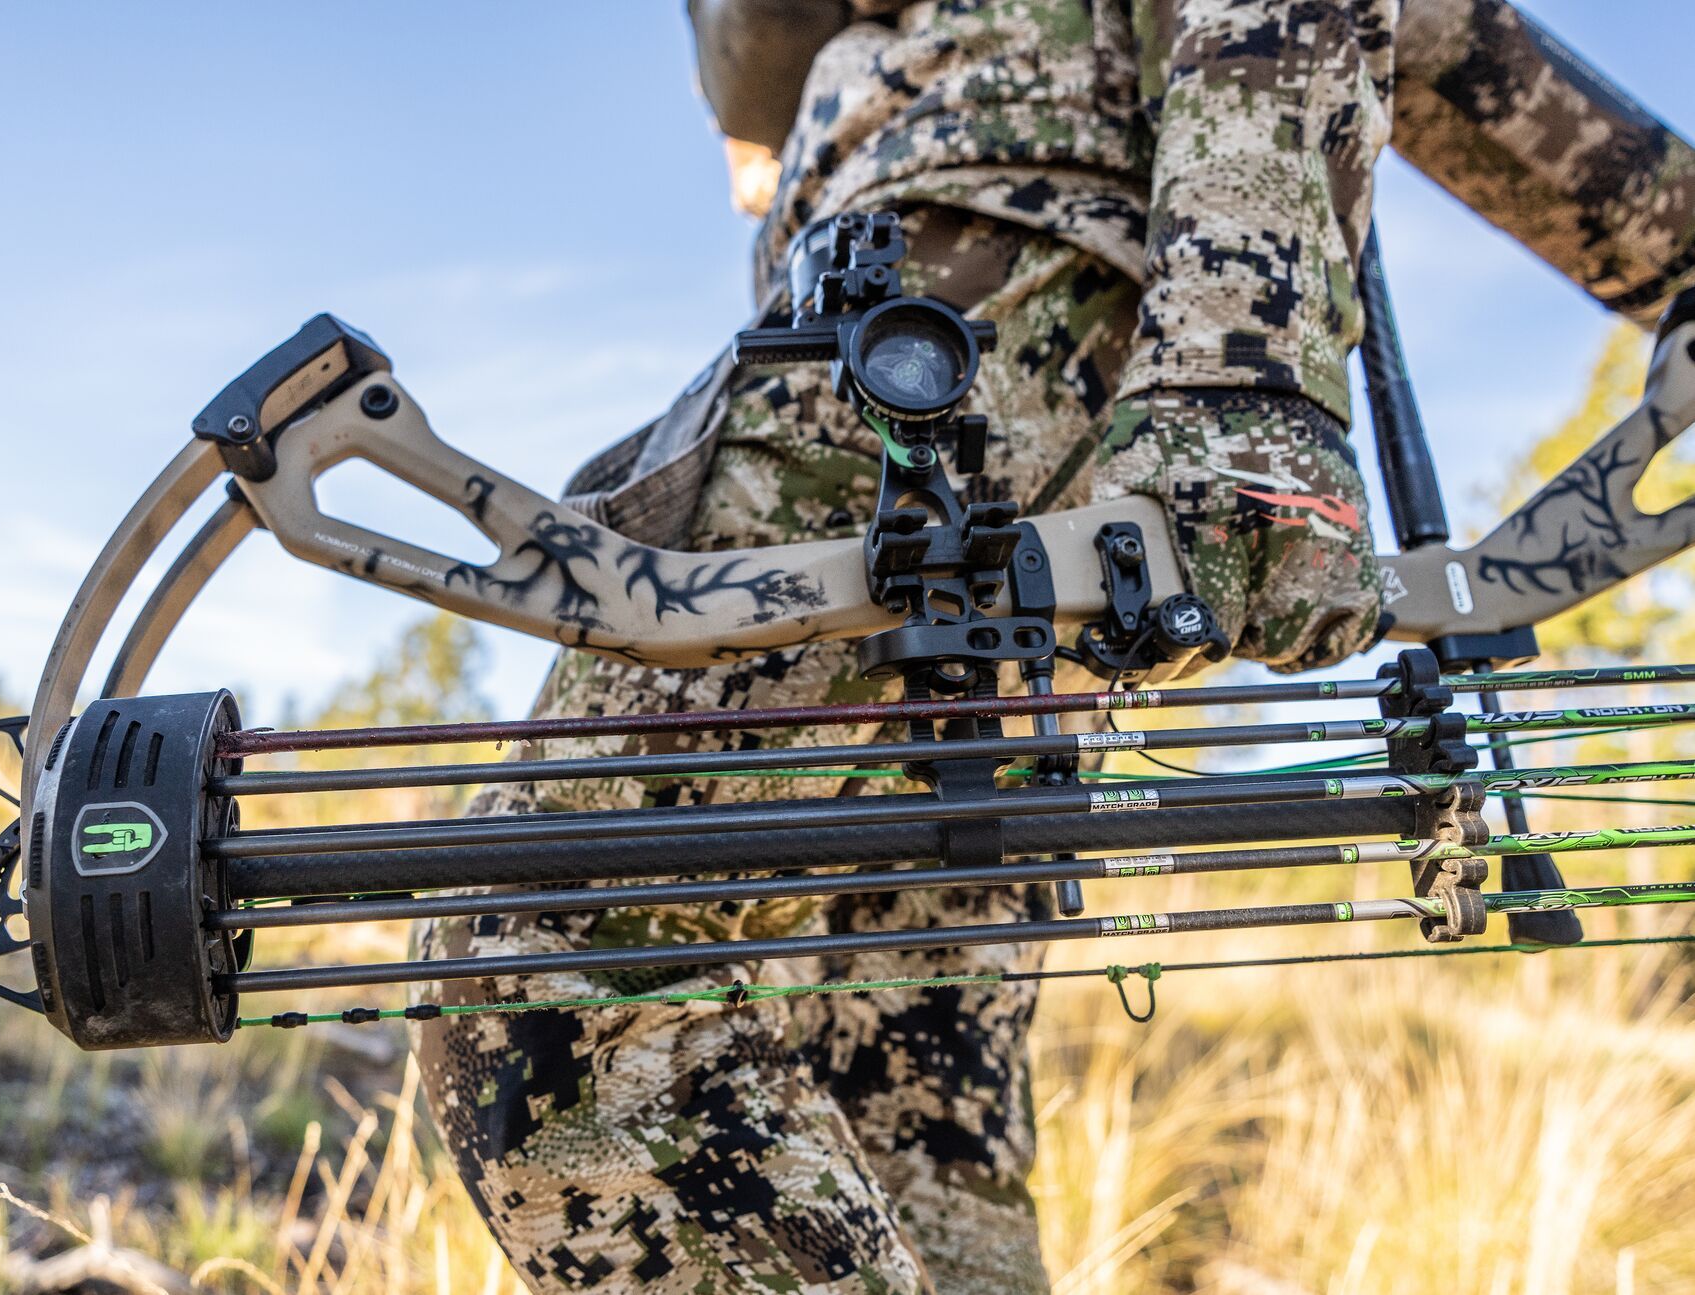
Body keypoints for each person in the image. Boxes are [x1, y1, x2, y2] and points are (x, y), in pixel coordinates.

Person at [413, 3, 1695, 1291]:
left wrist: (1236, 384)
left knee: (547, 982)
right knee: (905, 1087)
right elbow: (1498, 79)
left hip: (977, 330)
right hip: (994, 366)